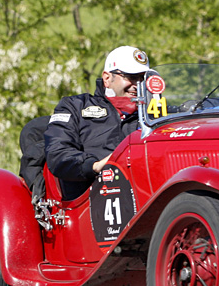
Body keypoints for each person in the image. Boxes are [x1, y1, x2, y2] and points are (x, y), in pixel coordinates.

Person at [44, 45, 150, 201]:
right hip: (90, 199)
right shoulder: (75, 106)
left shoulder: (154, 112)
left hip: (145, 194)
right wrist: (95, 165)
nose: (138, 84)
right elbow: (58, 153)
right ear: (107, 78)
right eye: (131, 77)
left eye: (143, 78)